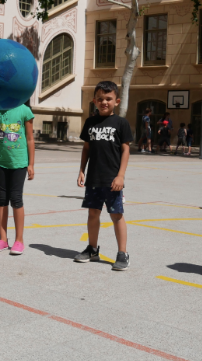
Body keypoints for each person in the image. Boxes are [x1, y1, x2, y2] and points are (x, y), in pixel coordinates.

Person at [74, 81, 131, 271]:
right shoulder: (90, 122)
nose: (104, 102)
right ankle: (92, 249)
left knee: (116, 215)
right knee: (93, 213)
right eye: (100, 99)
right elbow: (86, 148)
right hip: (94, 178)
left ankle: (122, 253)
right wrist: (82, 170)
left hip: (113, 179)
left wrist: (121, 175)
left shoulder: (121, 123)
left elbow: (125, 150)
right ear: (94, 101)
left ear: (117, 101)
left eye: (108, 99)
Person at [0, 103, 35, 255]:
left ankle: (19, 240)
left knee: (16, 198)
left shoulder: (25, 110)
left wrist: (31, 164)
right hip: (1, 162)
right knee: (2, 198)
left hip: (19, 163)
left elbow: (30, 139)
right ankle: (3, 239)